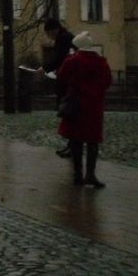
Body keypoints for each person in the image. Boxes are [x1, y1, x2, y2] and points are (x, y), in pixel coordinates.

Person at [56, 31, 112, 188]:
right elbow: (108, 81)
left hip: (76, 105)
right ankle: (91, 174)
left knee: (76, 140)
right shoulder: (101, 62)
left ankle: (78, 174)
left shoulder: (73, 61)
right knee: (93, 140)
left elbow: (62, 76)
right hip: (95, 106)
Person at [38, 17, 75, 157]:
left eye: (48, 33)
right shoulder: (67, 37)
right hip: (67, 80)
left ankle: (73, 146)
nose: (49, 37)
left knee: (68, 113)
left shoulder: (63, 39)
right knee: (68, 114)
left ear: (54, 30)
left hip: (67, 82)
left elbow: (60, 59)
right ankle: (71, 145)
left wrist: (46, 68)